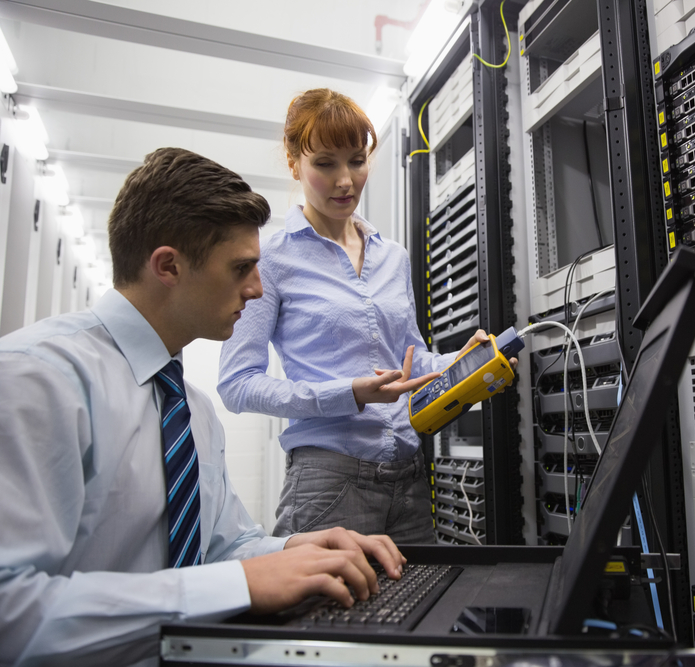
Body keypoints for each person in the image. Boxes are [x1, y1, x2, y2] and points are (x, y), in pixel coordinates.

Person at [0, 147, 407, 667]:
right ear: (168, 266)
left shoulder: (191, 408)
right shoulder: (37, 381)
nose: (258, 290)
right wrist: (234, 584)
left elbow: (221, 547)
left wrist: (294, 551)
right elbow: (10, 610)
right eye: (241, 268)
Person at [218, 89, 516, 543]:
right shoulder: (271, 260)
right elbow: (237, 384)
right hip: (329, 484)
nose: (345, 181)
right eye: (325, 164)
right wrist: (348, 394)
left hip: (410, 477)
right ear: (294, 161)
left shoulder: (392, 257)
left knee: (422, 611)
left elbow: (409, 361)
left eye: (357, 161)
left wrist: (461, 362)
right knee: (326, 615)